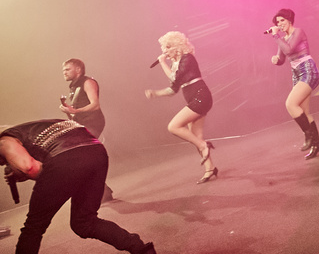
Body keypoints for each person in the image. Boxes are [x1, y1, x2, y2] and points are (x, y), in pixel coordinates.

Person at [1, 119, 156, 254]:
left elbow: (30, 168)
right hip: (96, 151)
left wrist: (31, 175)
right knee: (84, 222)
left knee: (33, 227)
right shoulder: (33, 128)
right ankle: (140, 249)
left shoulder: (4, 140)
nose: (2, 164)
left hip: (66, 158)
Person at [144, 31, 217, 184]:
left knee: (174, 126)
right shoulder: (177, 64)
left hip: (200, 97)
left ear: (177, 46)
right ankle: (210, 168)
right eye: (164, 47)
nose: (165, 51)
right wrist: (156, 93)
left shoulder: (187, 58)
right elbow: (173, 89)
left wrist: (163, 63)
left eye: (168, 47)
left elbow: (174, 77)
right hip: (194, 98)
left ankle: (204, 145)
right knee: (195, 136)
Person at [266, 8, 319, 159]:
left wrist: (276, 36)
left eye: (282, 21)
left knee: (290, 104)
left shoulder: (299, 32)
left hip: (308, 70)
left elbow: (290, 49)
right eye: (277, 22)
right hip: (297, 73)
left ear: (289, 20)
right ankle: (318, 144)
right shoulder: (282, 38)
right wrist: (276, 60)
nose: (280, 24)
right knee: (304, 111)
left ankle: (309, 137)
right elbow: (283, 57)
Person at [60, 58, 114, 201]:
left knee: (83, 156)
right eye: (63, 70)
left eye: (67, 69)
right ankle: (104, 192)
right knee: (83, 157)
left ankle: (101, 191)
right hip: (82, 124)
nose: (64, 72)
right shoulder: (73, 86)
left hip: (93, 122)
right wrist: (68, 110)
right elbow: (76, 110)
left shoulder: (88, 82)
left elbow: (95, 105)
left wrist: (76, 111)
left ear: (78, 70)